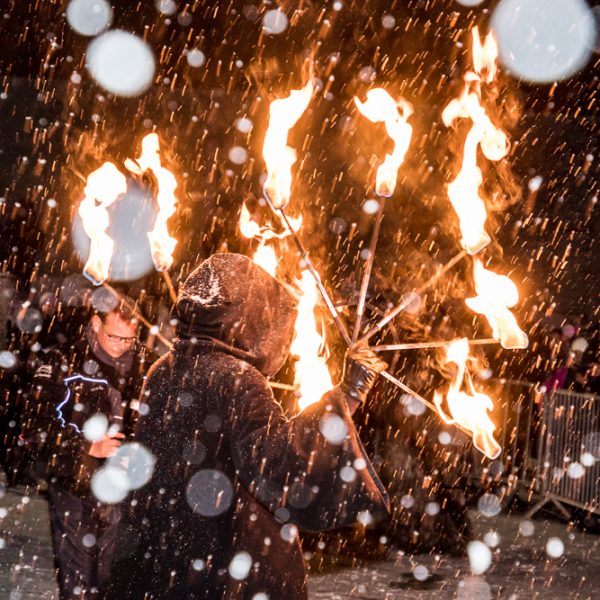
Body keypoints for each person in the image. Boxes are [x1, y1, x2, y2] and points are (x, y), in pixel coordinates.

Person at [108, 253, 389, 599]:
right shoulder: (236, 378)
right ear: (246, 316)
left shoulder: (163, 367)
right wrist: (348, 395)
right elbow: (280, 464)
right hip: (223, 559)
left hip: (166, 550)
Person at [25, 298, 154, 599]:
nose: (122, 345)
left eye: (129, 338)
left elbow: (154, 424)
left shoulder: (144, 370)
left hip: (122, 494)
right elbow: (38, 424)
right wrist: (85, 447)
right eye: (114, 336)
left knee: (110, 580)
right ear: (96, 324)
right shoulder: (64, 360)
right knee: (78, 581)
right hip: (75, 488)